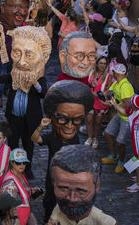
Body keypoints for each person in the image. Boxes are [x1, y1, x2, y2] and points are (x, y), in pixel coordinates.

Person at [0, 25, 49, 178]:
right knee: (13, 144)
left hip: (30, 118)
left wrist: (35, 83)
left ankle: (27, 169)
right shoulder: (14, 73)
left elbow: (43, 93)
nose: (21, 61)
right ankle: (12, 166)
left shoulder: (39, 77)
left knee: (28, 144)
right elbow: (1, 78)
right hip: (14, 117)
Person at [31, 80, 94, 219]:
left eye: (77, 120)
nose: (70, 126)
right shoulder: (52, 137)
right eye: (63, 119)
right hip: (53, 178)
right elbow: (35, 139)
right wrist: (41, 126)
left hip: (69, 178)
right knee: (51, 201)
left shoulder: (75, 138)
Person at [111, 94, 139, 193]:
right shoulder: (134, 108)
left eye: (131, 101)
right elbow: (125, 113)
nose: (129, 101)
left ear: (133, 105)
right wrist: (115, 104)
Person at [101, 62, 134, 173]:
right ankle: (113, 156)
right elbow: (108, 93)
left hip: (126, 118)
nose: (112, 73)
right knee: (108, 134)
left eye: (113, 72)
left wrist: (113, 105)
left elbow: (127, 106)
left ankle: (121, 161)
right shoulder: (117, 83)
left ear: (116, 73)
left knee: (120, 142)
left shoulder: (125, 87)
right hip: (119, 114)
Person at [0, 148, 41, 225]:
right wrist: (15, 220)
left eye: (24, 162)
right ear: (12, 162)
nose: (22, 165)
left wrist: (31, 191)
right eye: (18, 163)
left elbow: (21, 192)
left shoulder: (20, 174)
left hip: (24, 216)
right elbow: (7, 207)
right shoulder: (9, 183)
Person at [86, 54, 113, 148]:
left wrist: (95, 93)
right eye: (101, 63)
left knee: (98, 122)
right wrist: (91, 86)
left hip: (100, 103)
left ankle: (95, 138)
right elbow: (86, 86)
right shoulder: (91, 73)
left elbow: (107, 91)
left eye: (105, 64)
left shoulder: (108, 76)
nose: (103, 65)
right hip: (89, 101)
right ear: (97, 64)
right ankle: (89, 137)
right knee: (89, 121)